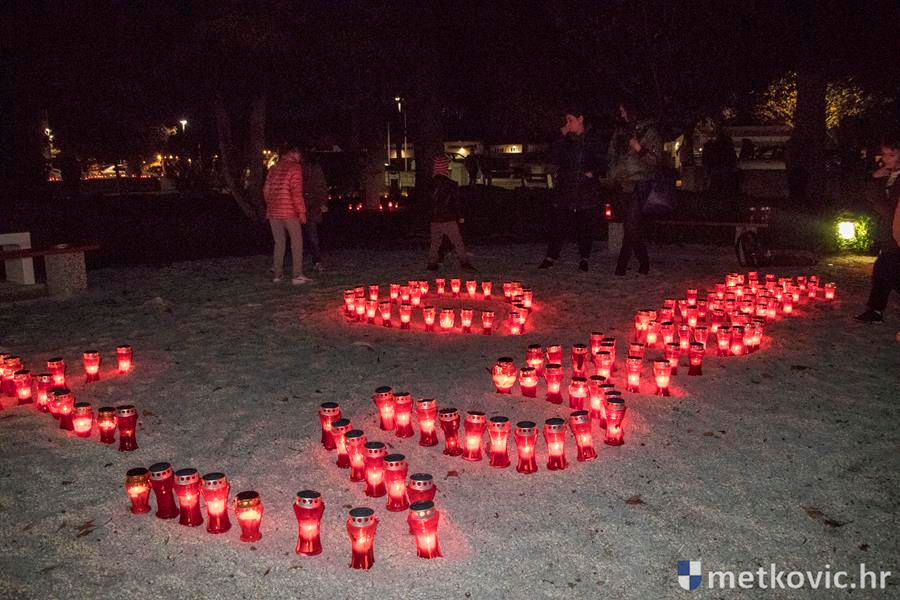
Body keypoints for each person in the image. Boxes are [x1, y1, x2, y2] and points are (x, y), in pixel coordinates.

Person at [538, 107, 605, 271]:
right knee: (559, 223)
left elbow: (603, 161)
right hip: (566, 187)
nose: (568, 124)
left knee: (584, 225)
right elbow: (552, 157)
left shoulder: (592, 139)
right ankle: (551, 256)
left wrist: (593, 172)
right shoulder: (566, 140)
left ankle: (584, 258)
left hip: (585, 188)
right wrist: (561, 135)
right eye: (566, 120)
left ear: (580, 119)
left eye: (571, 120)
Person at [608, 98, 661, 275]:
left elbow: (655, 160)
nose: (622, 115)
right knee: (632, 226)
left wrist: (639, 148)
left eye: (624, 111)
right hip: (622, 183)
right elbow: (612, 156)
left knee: (631, 224)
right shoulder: (619, 132)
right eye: (621, 112)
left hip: (640, 183)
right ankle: (643, 261)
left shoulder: (649, 132)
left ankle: (621, 265)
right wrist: (612, 176)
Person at [855, 135, 900, 323]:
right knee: (883, 271)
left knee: (888, 271)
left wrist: (874, 184)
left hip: (896, 231)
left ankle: (875, 310)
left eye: (891, 155)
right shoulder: (888, 175)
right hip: (889, 231)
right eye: (884, 154)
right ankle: (875, 310)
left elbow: (887, 207)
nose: (886, 159)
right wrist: (874, 179)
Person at [263, 145, 309, 285]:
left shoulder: (274, 168)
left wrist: (270, 204)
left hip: (273, 211)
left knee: (279, 243)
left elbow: (266, 190)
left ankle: (277, 275)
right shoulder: (295, 168)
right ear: (295, 153)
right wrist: (301, 212)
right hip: (289, 211)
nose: (300, 159)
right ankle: (297, 275)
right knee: (296, 242)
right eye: (300, 156)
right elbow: (296, 193)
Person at [427, 154, 476, 271]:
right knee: (457, 241)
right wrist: (460, 216)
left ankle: (432, 263)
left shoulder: (429, 184)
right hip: (448, 218)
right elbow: (456, 202)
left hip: (435, 218)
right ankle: (464, 262)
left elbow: (427, 203)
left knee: (435, 243)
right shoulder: (451, 184)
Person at [301, 153, 328, 272]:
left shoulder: (314, 168)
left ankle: (316, 261)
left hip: (310, 206)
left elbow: (320, 186)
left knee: (312, 235)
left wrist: (322, 203)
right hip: (299, 205)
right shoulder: (296, 167)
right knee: (295, 235)